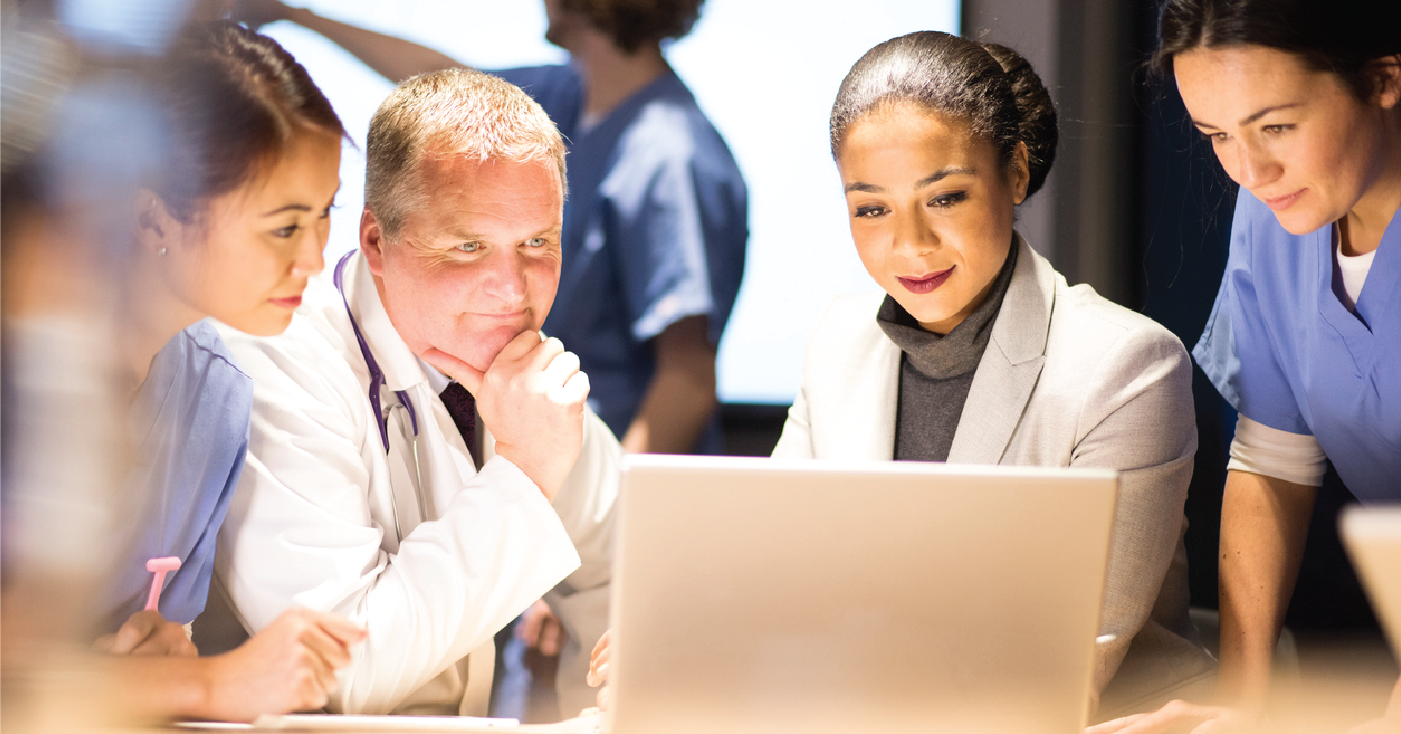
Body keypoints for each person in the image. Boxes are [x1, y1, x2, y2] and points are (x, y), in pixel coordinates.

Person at [587, 30, 1216, 721]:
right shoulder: (838, 340)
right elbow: (777, 569)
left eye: (944, 198)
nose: (909, 244)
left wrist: (773, 650)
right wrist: (695, 634)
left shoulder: (1124, 365)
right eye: (870, 208)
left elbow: (1065, 663)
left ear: (1014, 172)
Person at [212, 67, 620, 717]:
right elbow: (340, 676)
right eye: (468, 246)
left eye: (536, 242)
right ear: (376, 242)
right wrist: (526, 470)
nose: (513, 290)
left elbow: (629, 577)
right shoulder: (277, 354)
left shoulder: (515, 368)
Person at [2, 20, 366, 723]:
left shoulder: (217, 397)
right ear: (152, 217)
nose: (315, 259)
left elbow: (123, 653)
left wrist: (162, 655)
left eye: (326, 217)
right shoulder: (30, 373)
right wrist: (207, 688)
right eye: (284, 226)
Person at [236, 0, 748, 455]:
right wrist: (296, 15)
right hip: (532, 438)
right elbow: (436, 88)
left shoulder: (669, 156)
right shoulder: (569, 95)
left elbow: (689, 378)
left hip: (603, 460)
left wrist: (626, 529)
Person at [1092, 1, 1401, 733]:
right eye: (1215, 136)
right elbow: (1271, 462)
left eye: (1276, 127)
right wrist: (1243, 703)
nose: (1249, 169)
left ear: (1383, 79)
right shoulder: (1272, 217)